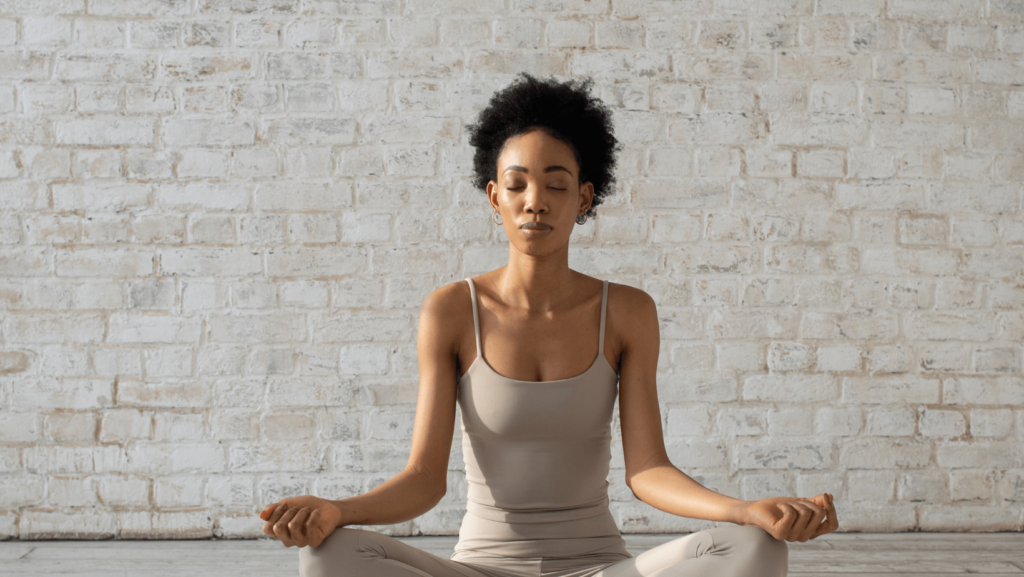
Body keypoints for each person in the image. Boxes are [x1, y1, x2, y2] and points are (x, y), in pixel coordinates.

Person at [258, 73, 839, 577]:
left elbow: (649, 470)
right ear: (494, 197)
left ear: (584, 197)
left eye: (556, 185)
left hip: (601, 569)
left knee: (754, 548)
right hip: (480, 569)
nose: (535, 201)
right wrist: (338, 510)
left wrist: (745, 509)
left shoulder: (629, 311)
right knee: (328, 556)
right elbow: (423, 479)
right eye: (516, 185)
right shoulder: (451, 310)